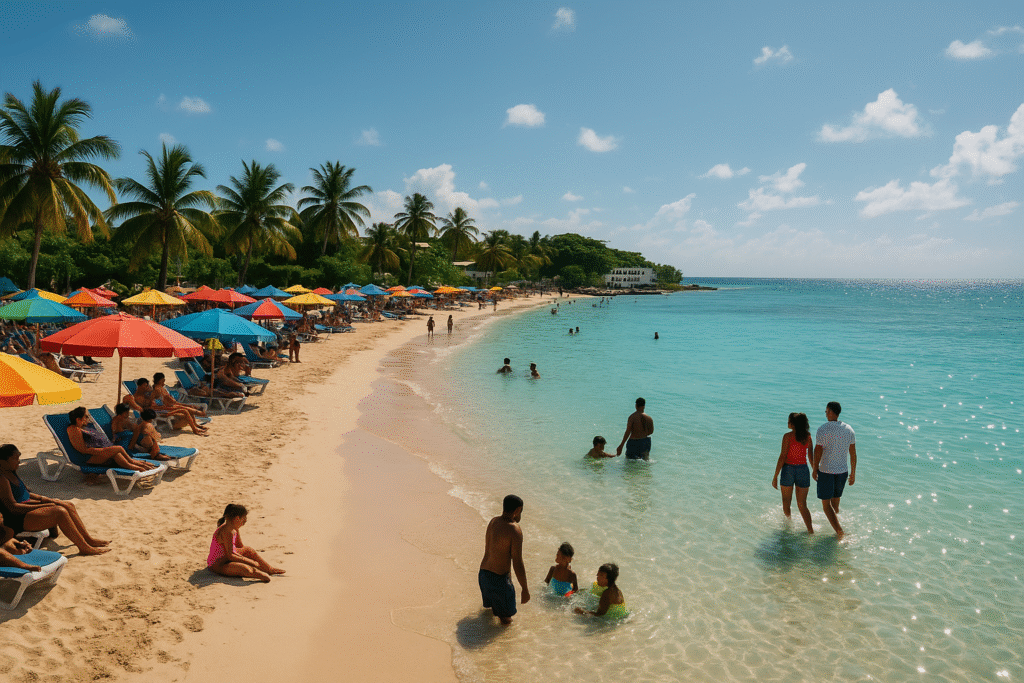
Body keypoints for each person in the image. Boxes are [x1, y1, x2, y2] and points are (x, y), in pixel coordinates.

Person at [0, 444, 110, 555]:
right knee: (60, 512)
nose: (18, 461)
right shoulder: (2, 479)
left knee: (68, 505)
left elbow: (26, 493)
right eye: (15, 458)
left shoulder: (11, 471)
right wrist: (44, 505)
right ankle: (84, 548)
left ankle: (88, 539)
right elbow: (13, 507)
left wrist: (46, 499)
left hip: (27, 509)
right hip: (17, 519)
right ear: (3, 461)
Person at [479, 494, 530, 625]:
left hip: (483, 575)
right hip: (499, 581)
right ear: (518, 510)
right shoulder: (514, 530)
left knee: (491, 612)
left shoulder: (493, 521)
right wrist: (525, 588)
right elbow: (517, 563)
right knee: (506, 621)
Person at [65, 407, 159, 478]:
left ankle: (138, 465)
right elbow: (82, 450)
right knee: (118, 449)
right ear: (78, 419)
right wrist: (104, 451)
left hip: (99, 454)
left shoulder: (82, 427)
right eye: (86, 416)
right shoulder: (74, 429)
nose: (88, 418)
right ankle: (135, 465)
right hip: (89, 458)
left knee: (116, 452)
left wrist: (107, 450)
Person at [207, 503, 285, 583]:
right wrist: (250, 562)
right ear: (237, 518)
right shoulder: (227, 531)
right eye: (244, 518)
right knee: (245, 569)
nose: (245, 521)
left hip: (227, 558)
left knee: (248, 550)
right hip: (218, 564)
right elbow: (230, 555)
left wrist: (248, 558)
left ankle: (269, 569)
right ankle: (257, 573)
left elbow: (240, 546)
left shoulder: (233, 528)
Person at [812, 402, 857, 539]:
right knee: (835, 503)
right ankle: (835, 524)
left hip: (826, 471)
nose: (826, 414)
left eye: (826, 412)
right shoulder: (849, 429)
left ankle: (839, 532)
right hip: (842, 472)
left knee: (826, 506)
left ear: (831, 412)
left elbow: (818, 451)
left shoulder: (822, 429)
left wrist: (814, 469)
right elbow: (853, 453)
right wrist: (853, 473)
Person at [771, 412, 814, 534]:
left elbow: (782, 457)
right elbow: (811, 457)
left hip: (788, 469)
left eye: (789, 421)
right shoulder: (808, 436)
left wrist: (775, 476)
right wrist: (815, 471)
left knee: (786, 502)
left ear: (793, 424)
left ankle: (788, 528)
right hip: (803, 470)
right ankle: (810, 531)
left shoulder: (787, 436)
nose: (787, 423)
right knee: (802, 504)